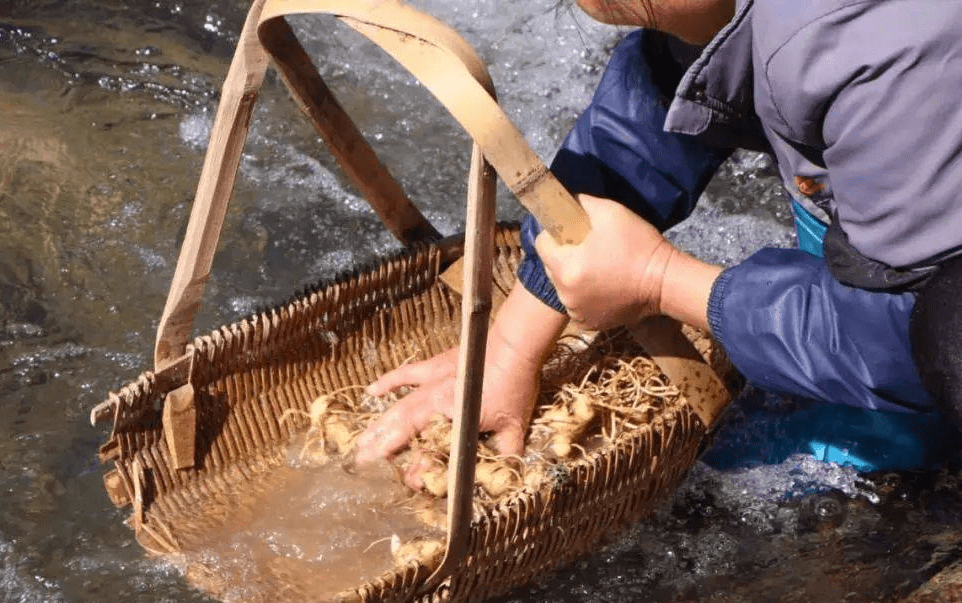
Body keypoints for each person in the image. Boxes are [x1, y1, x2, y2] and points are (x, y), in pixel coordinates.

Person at [355, 0, 962, 479]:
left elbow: (915, 333)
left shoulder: (869, 50)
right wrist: (510, 349)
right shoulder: (730, 16)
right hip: (909, 195)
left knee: (860, 446)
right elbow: (665, 100)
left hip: (940, 303)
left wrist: (659, 280)